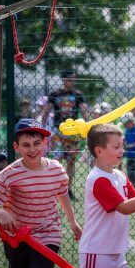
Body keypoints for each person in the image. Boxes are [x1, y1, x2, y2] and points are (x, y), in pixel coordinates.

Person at [0, 118, 82, 268]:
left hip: (48, 234)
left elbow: (62, 194)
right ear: (17, 147)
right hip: (17, 238)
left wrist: (72, 221)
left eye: (37, 143)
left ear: (45, 143)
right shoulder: (9, 174)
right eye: (26, 145)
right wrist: (1, 213)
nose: (32, 150)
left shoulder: (56, 170)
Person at [78, 123, 135, 268]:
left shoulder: (120, 176)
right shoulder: (97, 178)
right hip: (97, 252)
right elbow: (124, 208)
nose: (122, 151)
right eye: (116, 147)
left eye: (122, 146)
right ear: (99, 151)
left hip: (117, 252)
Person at [46, 70, 89, 200]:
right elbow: (46, 111)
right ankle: (53, 190)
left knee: (71, 162)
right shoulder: (55, 94)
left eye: (74, 79)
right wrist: (43, 129)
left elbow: (84, 111)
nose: (73, 82)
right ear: (64, 79)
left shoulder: (78, 94)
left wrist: (88, 125)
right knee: (56, 161)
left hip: (73, 133)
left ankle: (68, 190)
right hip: (58, 132)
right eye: (70, 79)